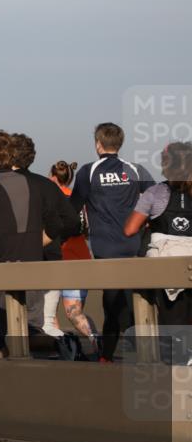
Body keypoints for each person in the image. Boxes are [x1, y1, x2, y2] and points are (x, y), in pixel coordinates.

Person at [0, 129, 63, 359]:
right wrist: (38, 241)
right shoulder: (38, 185)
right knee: (30, 331)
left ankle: (3, 380)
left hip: (0, 271)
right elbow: (61, 223)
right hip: (33, 268)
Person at [70, 123, 154, 362]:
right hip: (132, 245)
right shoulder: (135, 170)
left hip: (104, 247)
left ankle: (107, 355)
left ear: (98, 144)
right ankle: (142, 352)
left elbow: (73, 207)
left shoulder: (89, 171)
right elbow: (157, 198)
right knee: (131, 298)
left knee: (111, 301)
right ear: (120, 143)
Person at [11, 133, 86, 358]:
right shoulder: (48, 186)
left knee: (24, 323)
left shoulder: (4, 186)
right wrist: (50, 237)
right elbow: (73, 223)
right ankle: (64, 346)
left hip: (19, 261)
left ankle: (61, 347)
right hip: (52, 259)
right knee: (45, 320)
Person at [123, 142, 192, 365]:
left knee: (172, 319)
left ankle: (176, 365)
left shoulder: (156, 192)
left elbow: (130, 230)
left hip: (167, 267)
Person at [48, 161, 99, 348]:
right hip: (81, 256)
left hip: (60, 259)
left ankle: (63, 346)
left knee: (51, 313)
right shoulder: (79, 201)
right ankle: (95, 342)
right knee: (76, 312)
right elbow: (86, 230)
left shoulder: (51, 199)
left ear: (53, 177)